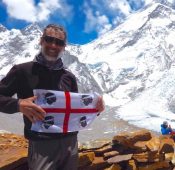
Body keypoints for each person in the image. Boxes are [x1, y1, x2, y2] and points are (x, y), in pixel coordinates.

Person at [0, 24, 104, 170]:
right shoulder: (22, 71)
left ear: (64, 47)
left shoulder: (69, 78)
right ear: (41, 41)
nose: (53, 45)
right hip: (41, 144)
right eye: (49, 39)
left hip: (70, 142)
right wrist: (18, 104)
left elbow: (76, 110)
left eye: (59, 42)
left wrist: (96, 110)